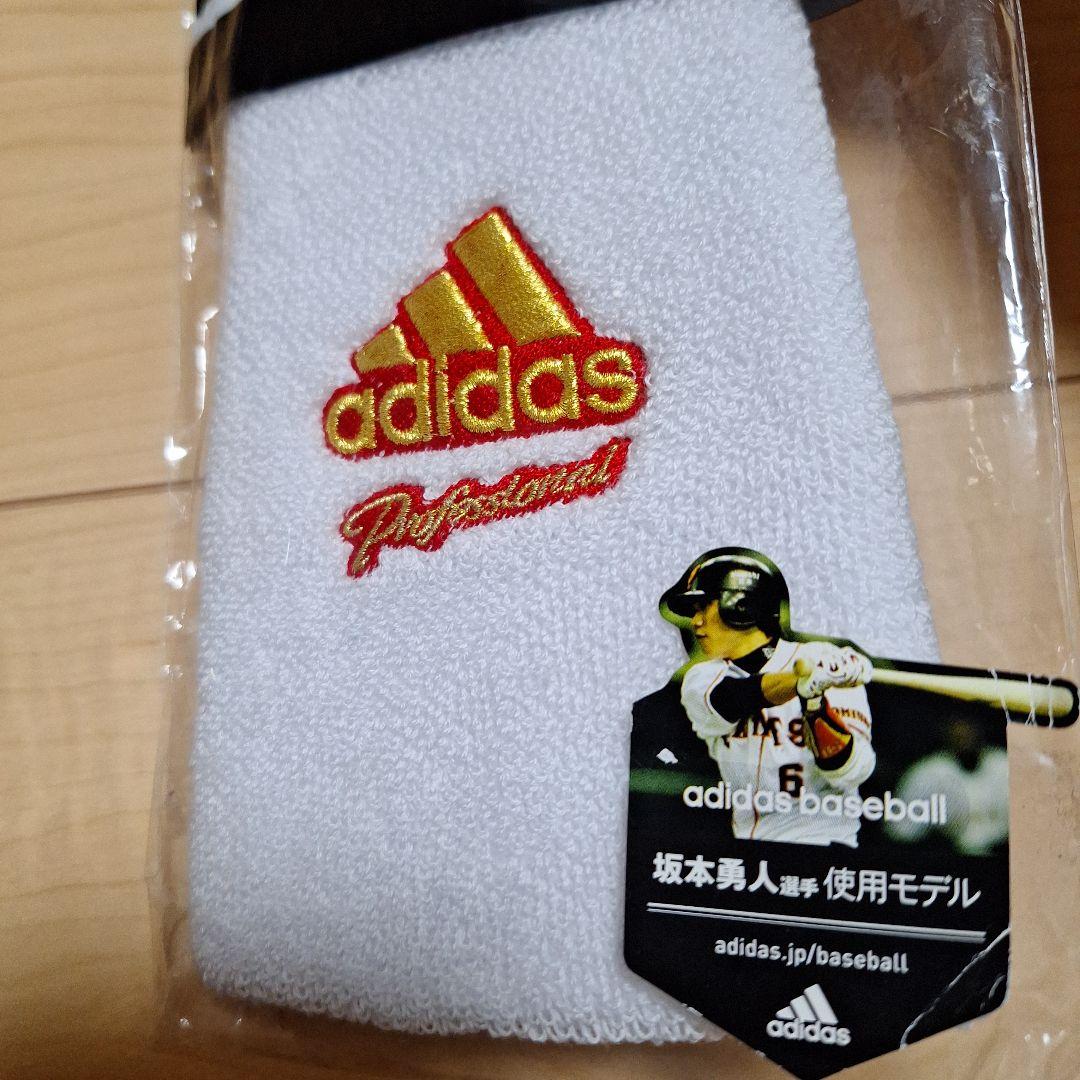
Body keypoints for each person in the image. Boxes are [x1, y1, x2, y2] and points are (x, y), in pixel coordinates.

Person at [663, 548, 876, 847]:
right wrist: (801, 683)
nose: (695, 621)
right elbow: (736, 698)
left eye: (702, 607)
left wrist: (815, 704)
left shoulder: (825, 661)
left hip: (827, 846)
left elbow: (850, 772)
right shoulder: (701, 679)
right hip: (755, 848)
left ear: (739, 606)